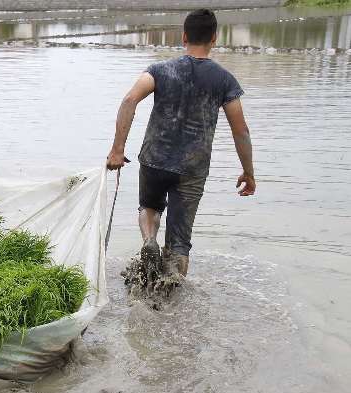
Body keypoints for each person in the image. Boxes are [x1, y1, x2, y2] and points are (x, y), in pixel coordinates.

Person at [106, 9, 255, 277]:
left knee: (149, 207)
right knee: (179, 243)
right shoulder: (224, 80)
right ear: (214, 39)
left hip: (154, 158)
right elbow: (240, 129)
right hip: (192, 169)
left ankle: (149, 240)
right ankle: (174, 298)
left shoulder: (160, 70)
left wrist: (117, 149)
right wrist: (248, 171)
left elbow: (129, 100)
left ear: (184, 36)